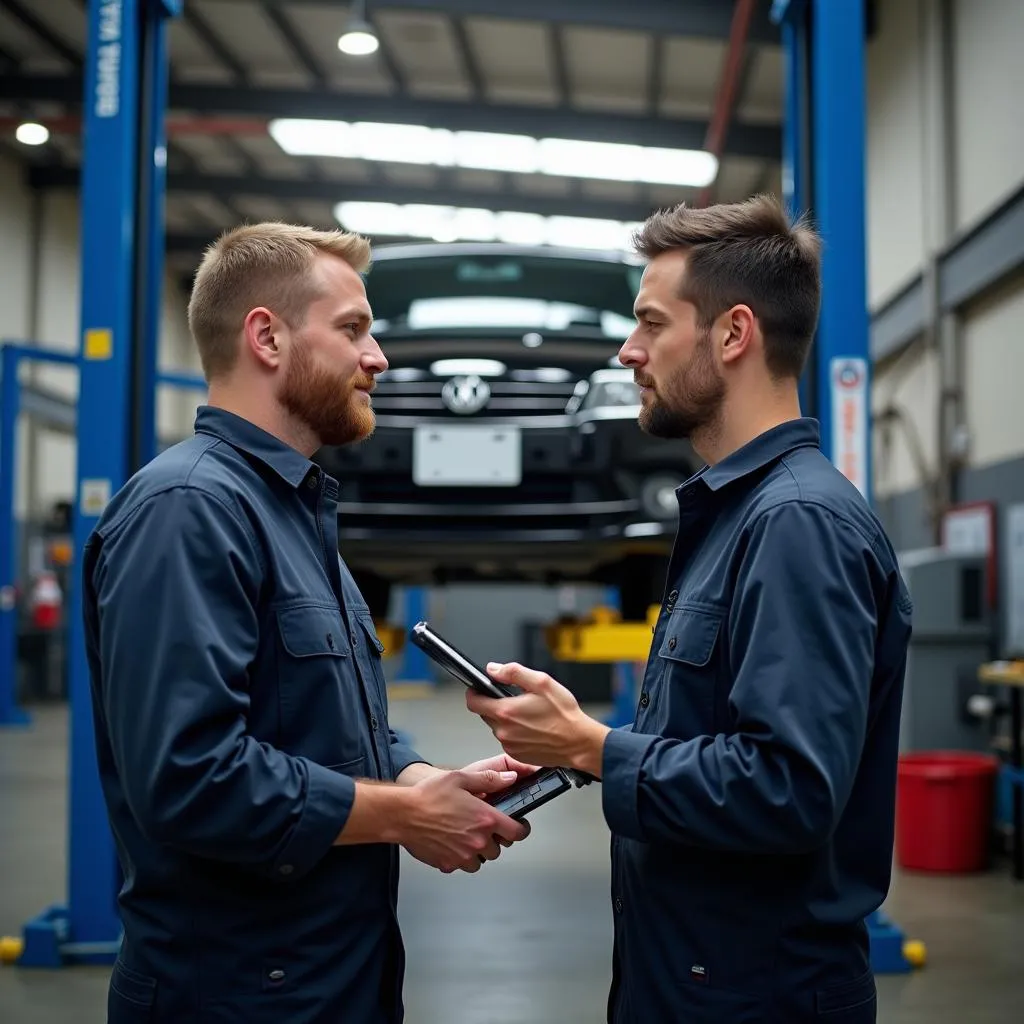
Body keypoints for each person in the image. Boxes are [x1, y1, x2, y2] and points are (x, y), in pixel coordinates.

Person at [467, 195, 913, 1023]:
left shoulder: (796, 527)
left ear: (733, 334)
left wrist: (597, 749)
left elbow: (788, 789)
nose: (628, 350)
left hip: (757, 997)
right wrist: (582, 743)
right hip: (691, 980)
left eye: (650, 323)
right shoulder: (738, 518)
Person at [82, 222, 533, 1024]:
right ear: (267, 336)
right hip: (233, 993)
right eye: (354, 329)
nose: (380, 358)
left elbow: (320, 721)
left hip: (329, 978)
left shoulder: (292, 511)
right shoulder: (189, 510)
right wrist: (403, 818)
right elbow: (187, 778)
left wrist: (422, 780)